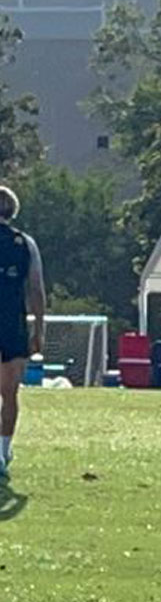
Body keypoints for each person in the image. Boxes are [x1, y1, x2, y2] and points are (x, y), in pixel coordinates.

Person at [0, 186, 45, 480]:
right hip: (12, 325)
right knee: (9, 393)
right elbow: (36, 289)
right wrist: (39, 329)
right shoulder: (24, 243)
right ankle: (2, 453)